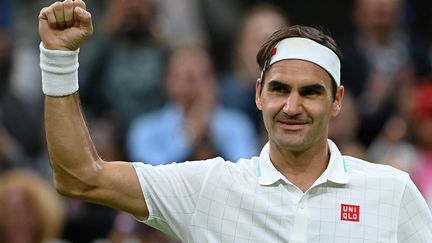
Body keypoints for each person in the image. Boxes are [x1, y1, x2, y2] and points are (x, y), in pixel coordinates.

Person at [39, 1, 432, 242]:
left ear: (337, 101)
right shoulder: (211, 187)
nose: (292, 106)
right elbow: (80, 176)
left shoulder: (391, 191)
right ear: (259, 93)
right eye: (280, 89)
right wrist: (58, 60)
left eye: (310, 92)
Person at [127, 45, 258, 164]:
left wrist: (212, 132)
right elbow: (148, 175)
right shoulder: (146, 129)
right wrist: (189, 135)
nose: (196, 86)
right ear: (167, 82)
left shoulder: (238, 125)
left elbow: (247, 172)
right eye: (188, 78)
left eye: (204, 76)